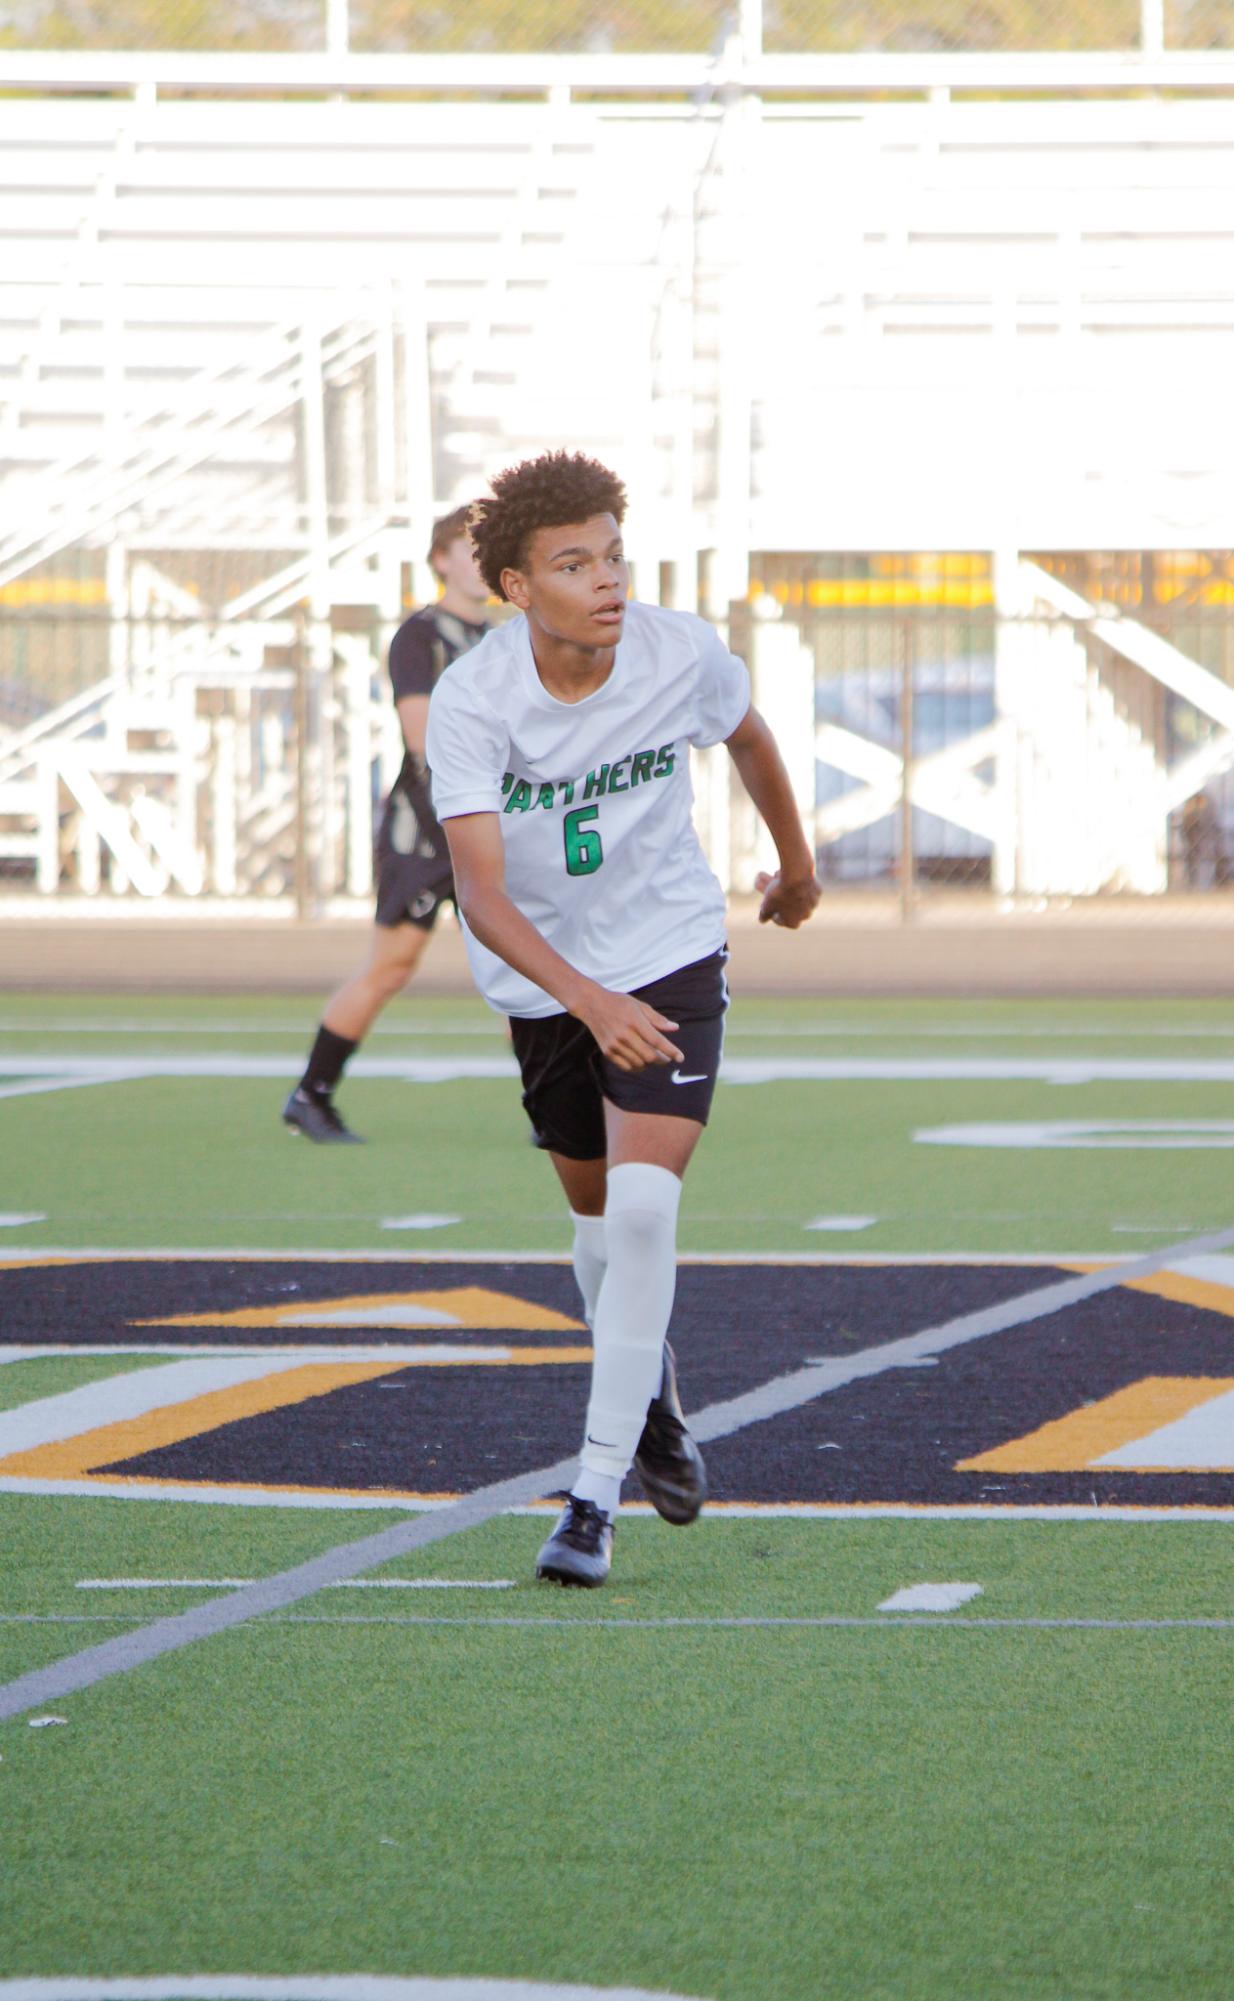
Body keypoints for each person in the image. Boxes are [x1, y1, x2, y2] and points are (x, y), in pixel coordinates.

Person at [425, 451, 820, 1586]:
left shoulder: (677, 650)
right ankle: (650, 1399)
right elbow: (483, 894)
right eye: (571, 563)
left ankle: (591, 1496)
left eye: (612, 555)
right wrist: (585, 1003)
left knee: (645, 1212)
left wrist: (794, 869)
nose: (606, 581)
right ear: (513, 587)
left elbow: (746, 735)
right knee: (596, 1222)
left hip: (668, 952)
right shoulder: (475, 700)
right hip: (545, 985)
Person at [283, 506, 491, 1143]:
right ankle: (311, 1094)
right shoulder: (421, 636)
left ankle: (554, 1105)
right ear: (441, 559)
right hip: (428, 828)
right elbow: (423, 737)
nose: (482, 559)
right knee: (392, 966)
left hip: (492, 820)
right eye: (469, 547)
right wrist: (462, 824)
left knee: (518, 965)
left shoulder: (508, 640)